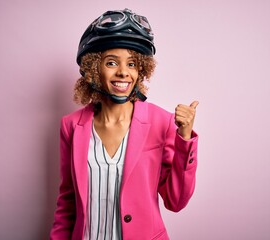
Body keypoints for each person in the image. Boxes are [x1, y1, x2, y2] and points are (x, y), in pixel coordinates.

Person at [50, 8, 199, 240]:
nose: (123, 73)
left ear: (141, 70)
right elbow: (67, 201)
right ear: (93, 69)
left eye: (131, 64)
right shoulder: (71, 126)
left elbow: (176, 201)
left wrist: (185, 139)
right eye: (111, 63)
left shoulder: (163, 122)